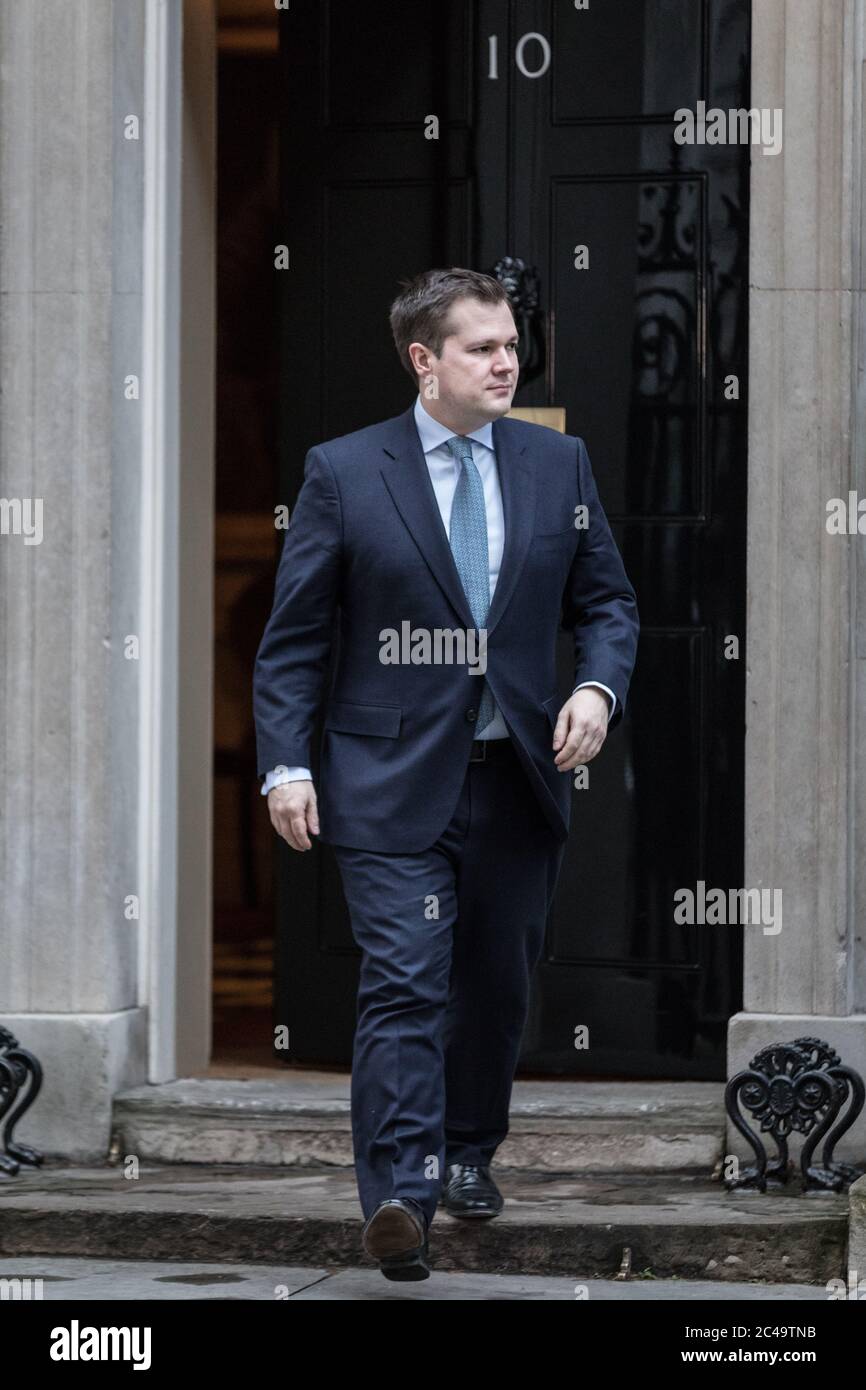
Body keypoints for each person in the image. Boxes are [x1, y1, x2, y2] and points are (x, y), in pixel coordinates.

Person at [253, 267, 639, 1281]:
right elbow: (294, 642)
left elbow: (609, 607)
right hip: (384, 781)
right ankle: (396, 1196)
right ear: (423, 361)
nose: (505, 360)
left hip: (515, 776)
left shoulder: (558, 466)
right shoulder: (343, 471)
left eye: (510, 343)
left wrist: (595, 691)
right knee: (402, 984)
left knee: (490, 984)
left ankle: (465, 1150)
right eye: (479, 347)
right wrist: (286, 763)